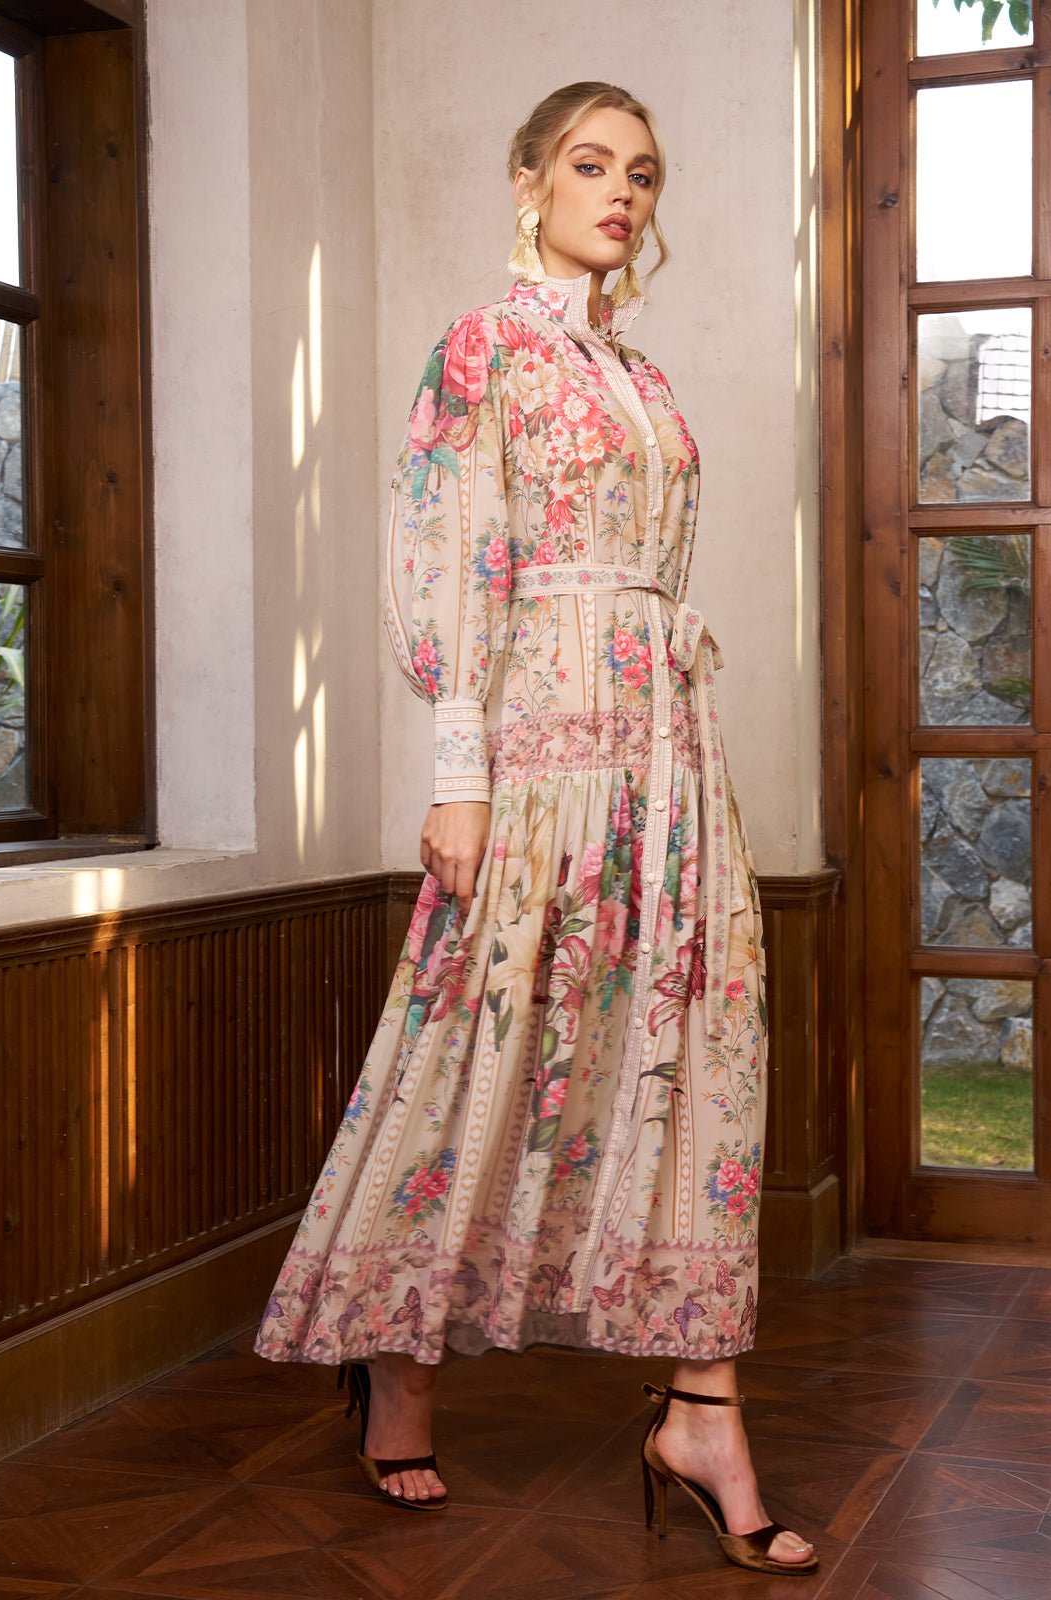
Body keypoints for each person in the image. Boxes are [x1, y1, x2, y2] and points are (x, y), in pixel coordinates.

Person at [253, 80, 818, 1578]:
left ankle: (702, 1408)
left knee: (694, 1047)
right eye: (589, 164)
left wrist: (673, 748)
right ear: (527, 181)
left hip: (665, 757)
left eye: (642, 172)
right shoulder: (482, 349)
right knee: (475, 1044)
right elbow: (452, 556)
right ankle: (396, 1358)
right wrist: (459, 771)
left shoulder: (643, 372)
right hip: (535, 743)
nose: (620, 192)